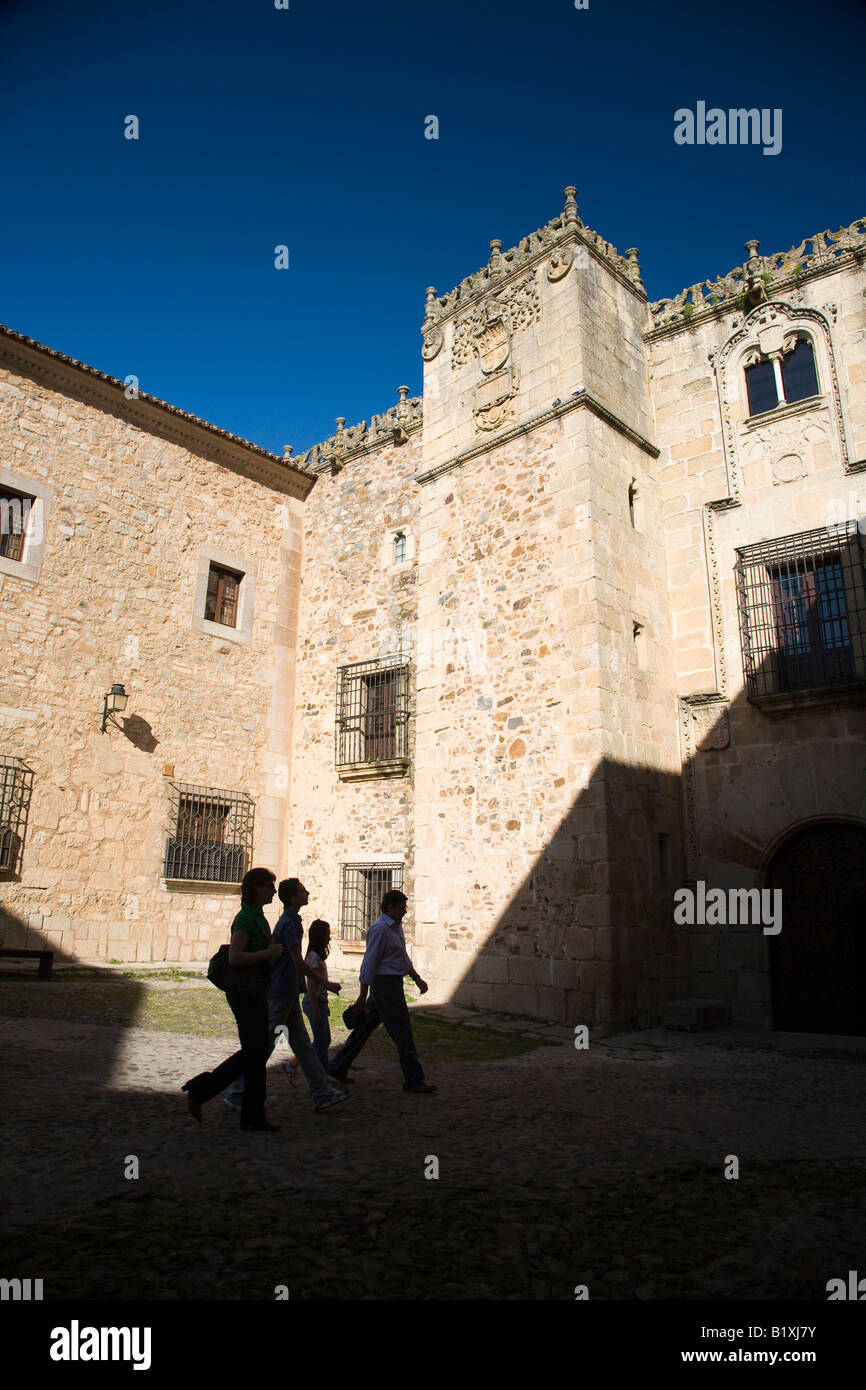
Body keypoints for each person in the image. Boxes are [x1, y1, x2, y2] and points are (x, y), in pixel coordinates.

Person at [224, 879, 347, 1113]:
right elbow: (298, 963)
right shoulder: (289, 924)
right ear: (293, 898)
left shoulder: (290, 921)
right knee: (264, 1045)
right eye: (302, 891)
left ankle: (321, 1093)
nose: (307, 893)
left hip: (288, 991)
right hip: (281, 991)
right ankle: (238, 1093)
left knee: (302, 1045)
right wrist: (326, 983)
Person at [182, 867, 284, 1132]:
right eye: (269, 886)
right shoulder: (246, 919)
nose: (273, 891)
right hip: (244, 991)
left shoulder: (258, 916)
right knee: (254, 1051)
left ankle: (253, 1116)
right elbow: (235, 958)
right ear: (256, 889)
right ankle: (201, 1090)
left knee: (258, 1051)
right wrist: (269, 952)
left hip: (257, 988)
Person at [329, 890, 436, 1094]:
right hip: (385, 986)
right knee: (402, 1031)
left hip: (391, 983)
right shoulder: (380, 929)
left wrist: (415, 977)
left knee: (364, 1029)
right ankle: (413, 1079)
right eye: (402, 907)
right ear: (391, 907)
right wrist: (362, 995)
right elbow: (369, 964)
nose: (405, 911)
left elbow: (400, 956)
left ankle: (337, 1066)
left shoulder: (395, 928)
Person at [302, 919, 338, 1070]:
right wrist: (316, 1009)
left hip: (320, 1002)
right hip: (314, 1002)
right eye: (327, 935)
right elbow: (311, 985)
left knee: (324, 1040)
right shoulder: (314, 958)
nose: (329, 938)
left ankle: (299, 1060)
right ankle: (322, 1072)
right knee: (322, 1041)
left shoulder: (317, 957)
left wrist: (330, 988)